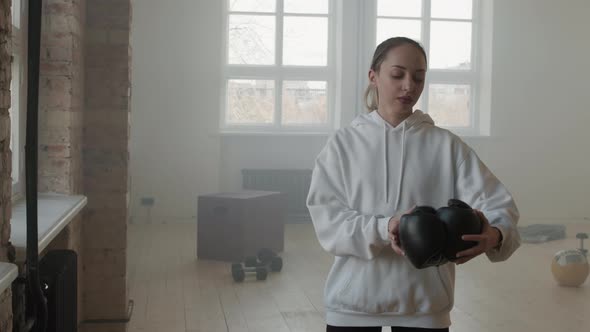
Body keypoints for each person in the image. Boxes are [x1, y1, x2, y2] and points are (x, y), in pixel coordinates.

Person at [306, 37, 520, 332]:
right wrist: (385, 227)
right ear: (373, 77)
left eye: (418, 78)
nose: (409, 86)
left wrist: (494, 235)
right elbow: (328, 222)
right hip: (352, 305)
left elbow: (500, 206)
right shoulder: (342, 145)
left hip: (426, 307)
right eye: (398, 75)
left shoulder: (447, 146)